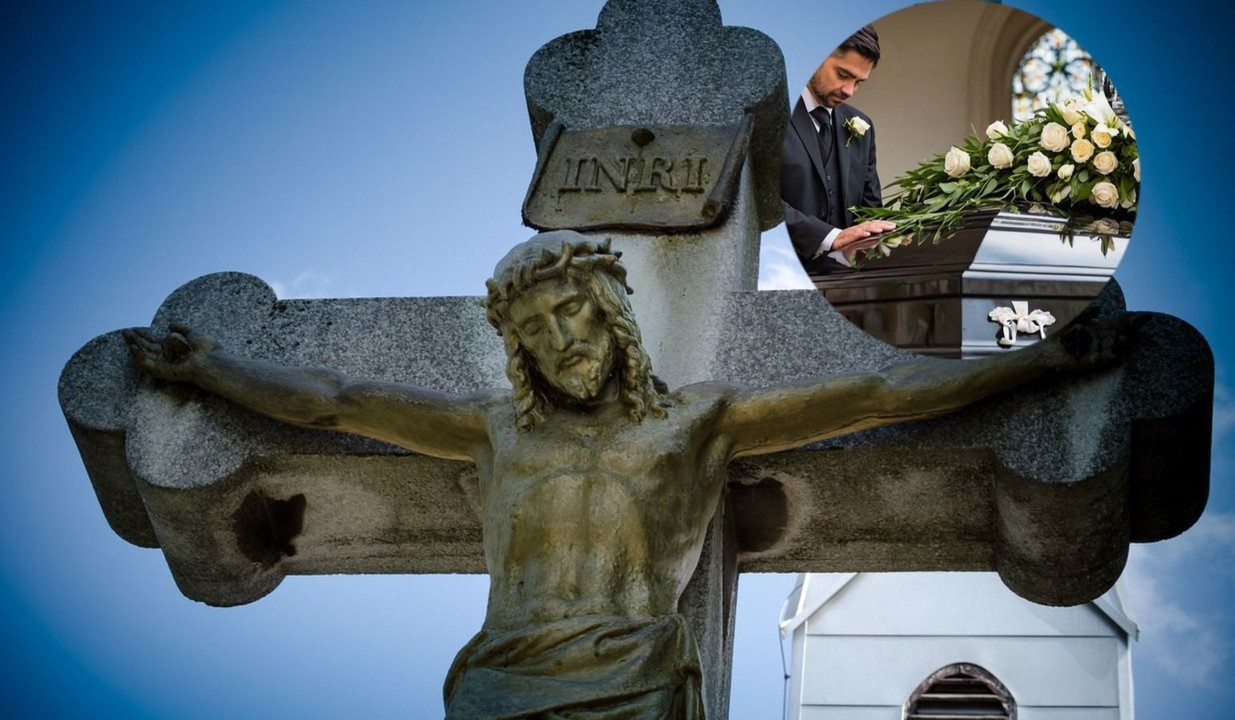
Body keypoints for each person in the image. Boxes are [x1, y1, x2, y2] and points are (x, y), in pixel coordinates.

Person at [124, 230, 1125, 719]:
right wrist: (214, 370)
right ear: (516, 349)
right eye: (536, 329)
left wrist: (1029, 359)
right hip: (502, 682)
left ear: (609, 310)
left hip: (636, 679)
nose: (562, 340)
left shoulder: (700, 424)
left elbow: (875, 397)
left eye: (573, 313)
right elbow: (336, 400)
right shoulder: (492, 434)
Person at [782, 26, 896, 274]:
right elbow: (754, 202)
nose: (849, 91)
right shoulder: (772, 113)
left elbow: (870, 210)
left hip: (844, 288)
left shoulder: (862, 127)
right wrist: (830, 237)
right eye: (843, 74)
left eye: (858, 82)